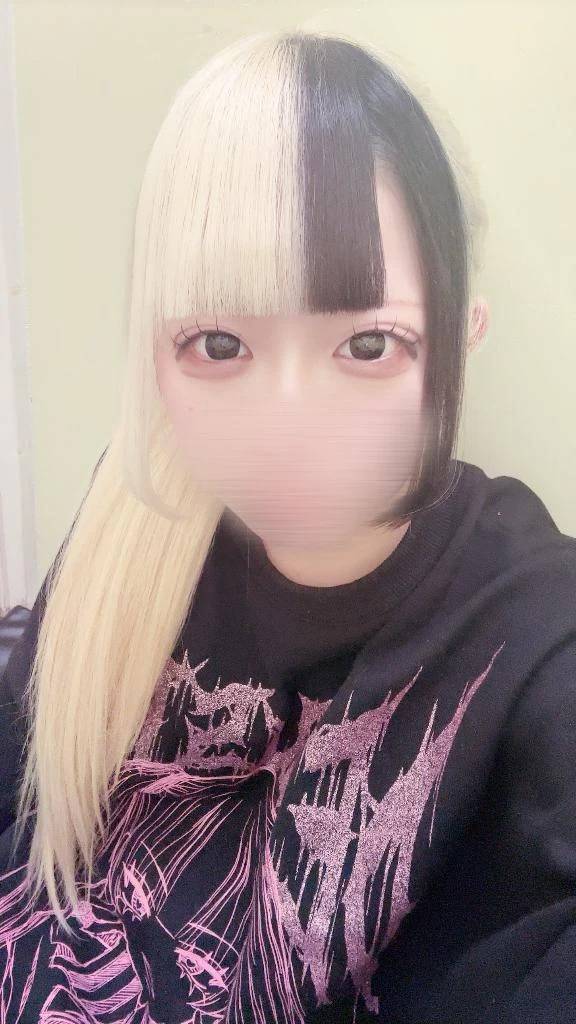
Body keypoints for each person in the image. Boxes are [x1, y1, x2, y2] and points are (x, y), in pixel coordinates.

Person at [0, 28, 574, 1024]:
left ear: (459, 341)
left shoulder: (526, 622)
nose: (288, 426)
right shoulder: (133, 523)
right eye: (220, 342)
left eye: (368, 344)